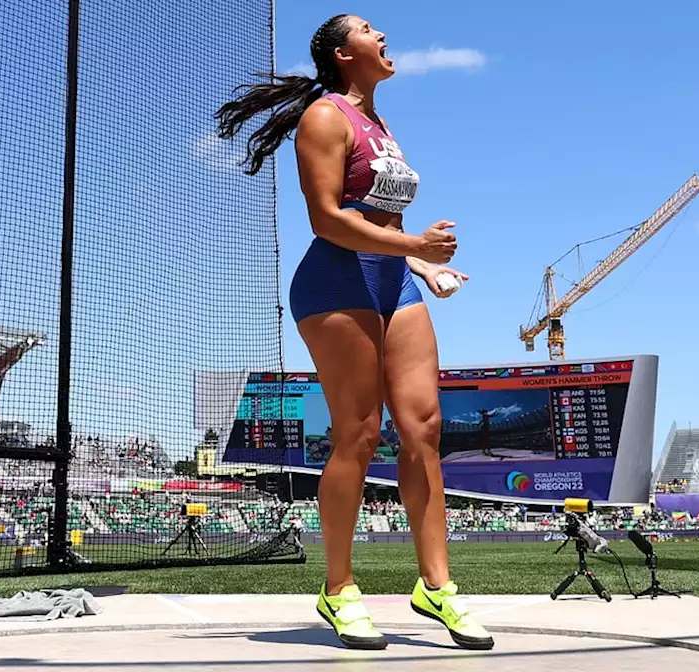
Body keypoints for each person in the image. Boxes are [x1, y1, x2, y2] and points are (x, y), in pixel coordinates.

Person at [214, 14, 491, 651]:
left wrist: (417, 260)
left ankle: (437, 588)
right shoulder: (325, 117)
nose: (384, 35)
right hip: (334, 284)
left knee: (423, 428)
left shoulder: (383, 125)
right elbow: (328, 219)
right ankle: (338, 590)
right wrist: (415, 242)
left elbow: (381, 216)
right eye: (370, 30)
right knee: (360, 434)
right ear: (344, 53)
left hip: (395, 280)